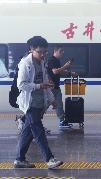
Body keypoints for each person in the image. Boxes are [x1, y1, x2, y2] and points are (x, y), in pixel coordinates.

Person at [13, 36, 63, 169]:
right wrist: (39, 86)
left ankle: (19, 159)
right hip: (30, 104)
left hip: (40, 103)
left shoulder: (42, 62)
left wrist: (52, 100)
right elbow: (21, 85)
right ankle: (50, 159)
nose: (42, 54)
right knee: (38, 131)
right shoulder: (25, 64)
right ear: (31, 49)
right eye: (39, 52)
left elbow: (46, 82)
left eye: (44, 52)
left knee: (28, 132)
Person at [47, 45, 76, 128]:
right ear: (55, 51)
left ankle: (62, 121)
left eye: (62, 51)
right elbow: (55, 71)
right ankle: (25, 119)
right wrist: (65, 66)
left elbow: (60, 72)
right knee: (44, 106)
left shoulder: (56, 60)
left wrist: (70, 73)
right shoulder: (52, 60)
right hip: (50, 88)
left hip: (56, 87)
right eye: (60, 51)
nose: (62, 53)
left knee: (59, 104)